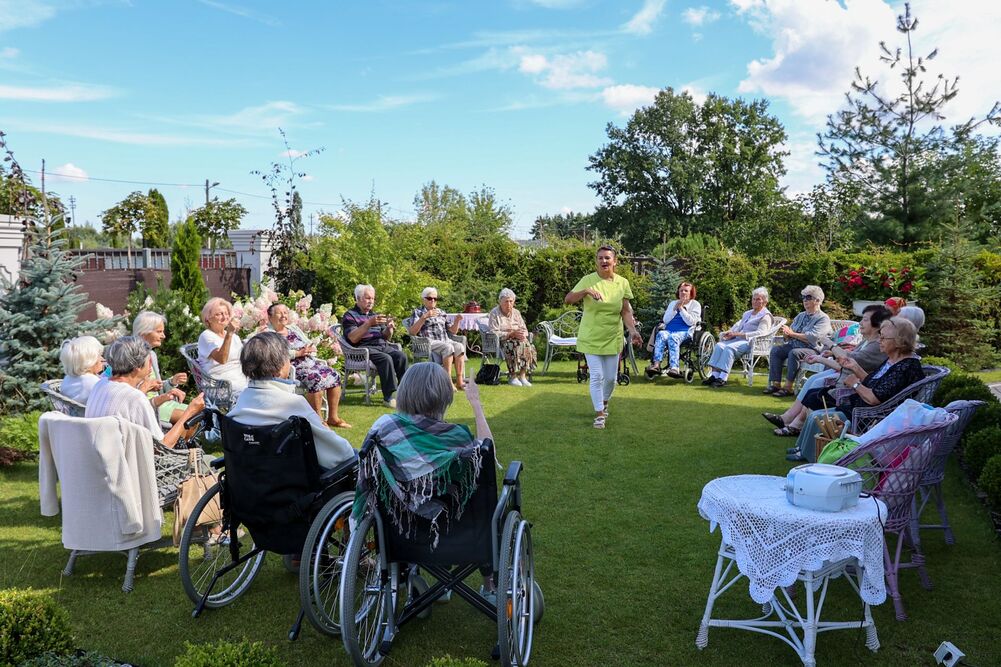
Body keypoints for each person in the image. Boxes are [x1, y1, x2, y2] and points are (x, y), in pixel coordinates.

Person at [355, 362, 495, 602]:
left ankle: (431, 579)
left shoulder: (384, 429)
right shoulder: (457, 436)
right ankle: (490, 586)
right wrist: (476, 404)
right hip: (461, 534)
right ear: (445, 395)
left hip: (401, 533)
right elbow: (487, 456)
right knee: (472, 499)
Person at [786, 316, 925, 461]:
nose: (879, 341)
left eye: (883, 338)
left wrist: (855, 384)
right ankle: (803, 451)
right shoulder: (893, 360)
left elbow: (873, 398)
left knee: (818, 416)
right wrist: (855, 367)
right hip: (862, 408)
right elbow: (872, 382)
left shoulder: (905, 367)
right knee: (817, 409)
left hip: (873, 417)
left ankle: (812, 457)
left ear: (899, 341)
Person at [227, 332, 356, 470]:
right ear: (280, 367)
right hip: (293, 485)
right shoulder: (293, 404)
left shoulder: (239, 406)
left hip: (251, 482)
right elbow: (342, 454)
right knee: (355, 455)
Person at [762, 304, 892, 436]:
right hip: (845, 384)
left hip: (851, 391)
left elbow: (848, 360)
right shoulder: (866, 342)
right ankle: (791, 421)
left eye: (865, 319)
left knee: (814, 392)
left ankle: (795, 424)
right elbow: (845, 364)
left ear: (876, 323)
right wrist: (820, 359)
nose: (860, 323)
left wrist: (830, 344)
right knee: (813, 387)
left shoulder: (875, 345)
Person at [565, 245, 643, 429]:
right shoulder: (588, 280)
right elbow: (568, 299)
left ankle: (605, 402)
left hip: (612, 337)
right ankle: (599, 414)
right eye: (600, 258)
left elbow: (625, 311)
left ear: (614, 261)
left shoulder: (622, 283)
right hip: (591, 336)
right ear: (596, 261)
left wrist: (632, 331)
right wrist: (585, 291)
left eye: (607, 258)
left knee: (611, 379)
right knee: (597, 376)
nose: (603, 261)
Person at [85, 336, 205, 448]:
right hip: (131, 466)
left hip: (103, 458)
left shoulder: (100, 385)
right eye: (149, 362)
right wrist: (190, 411)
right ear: (137, 366)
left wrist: (159, 398)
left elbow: (128, 410)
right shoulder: (135, 397)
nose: (150, 366)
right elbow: (163, 446)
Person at [267, 303, 350, 428]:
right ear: (270, 317)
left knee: (335, 375)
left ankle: (333, 417)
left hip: (310, 362)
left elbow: (307, 341)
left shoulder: (293, 328)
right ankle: (318, 420)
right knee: (315, 379)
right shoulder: (269, 334)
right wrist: (297, 353)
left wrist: (309, 347)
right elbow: (275, 354)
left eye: (285, 312)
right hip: (292, 367)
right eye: (280, 313)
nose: (284, 315)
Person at [341, 284, 408, 408]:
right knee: (385, 359)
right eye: (368, 298)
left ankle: (404, 393)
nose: (371, 301)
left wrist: (389, 328)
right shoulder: (349, 315)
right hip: (363, 349)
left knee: (401, 356)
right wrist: (368, 323)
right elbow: (353, 338)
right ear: (358, 298)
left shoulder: (375, 315)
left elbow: (386, 337)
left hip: (381, 345)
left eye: (372, 298)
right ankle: (388, 397)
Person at [762, 285, 832, 398]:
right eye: (803, 297)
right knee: (776, 350)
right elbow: (790, 333)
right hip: (794, 345)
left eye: (808, 297)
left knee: (794, 353)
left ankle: (788, 387)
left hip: (813, 349)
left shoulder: (823, 318)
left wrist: (792, 334)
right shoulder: (800, 315)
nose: (805, 300)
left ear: (818, 300)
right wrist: (786, 335)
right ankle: (776, 384)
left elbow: (813, 337)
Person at [702, 287, 773, 387]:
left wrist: (739, 335)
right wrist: (729, 334)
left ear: (765, 302)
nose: (755, 301)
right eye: (753, 299)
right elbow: (737, 327)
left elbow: (762, 332)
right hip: (738, 340)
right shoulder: (747, 313)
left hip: (752, 343)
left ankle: (722, 378)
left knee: (729, 348)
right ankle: (714, 375)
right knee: (719, 345)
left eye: (758, 299)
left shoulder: (766, 316)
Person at [133, 311, 190, 424]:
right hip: (146, 406)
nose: (163, 336)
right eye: (159, 331)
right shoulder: (133, 356)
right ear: (143, 333)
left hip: (161, 402)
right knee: (189, 417)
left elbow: (156, 387)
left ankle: (180, 441)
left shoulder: (151, 355)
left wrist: (172, 382)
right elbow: (131, 393)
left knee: (197, 413)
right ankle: (173, 441)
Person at [408, 287, 467, 390]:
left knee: (460, 346)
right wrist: (424, 317)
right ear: (423, 299)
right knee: (448, 347)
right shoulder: (418, 312)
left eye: (435, 299)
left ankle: (459, 381)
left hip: (444, 340)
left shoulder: (441, 312)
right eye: (430, 298)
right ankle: (447, 382)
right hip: (428, 342)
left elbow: (452, 331)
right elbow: (412, 332)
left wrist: (457, 321)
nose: (433, 301)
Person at [646, 282, 702, 379]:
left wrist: (681, 309)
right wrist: (675, 309)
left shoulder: (695, 304)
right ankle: (656, 365)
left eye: (686, 291)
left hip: (686, 332)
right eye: (681, 290)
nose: (683, 292)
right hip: (669, 330)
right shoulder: (672, 303)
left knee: (673, 337)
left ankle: (674, 368)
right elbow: (666, 320)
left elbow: (691, 322)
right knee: (661, 334)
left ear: (691, 293)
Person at [197, 297, 248, 396]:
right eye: (219, 314)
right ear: (208, 319)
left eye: (226, 313)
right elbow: (222, 359)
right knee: (251, 393)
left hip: (241, 378)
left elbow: (244, 359)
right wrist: (229, 334)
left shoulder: (235, 337)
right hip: (220, 384)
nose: (224, 317)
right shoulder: (206, 336)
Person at [488, 288, 537, 387]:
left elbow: (524, 329)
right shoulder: (494, 313)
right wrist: (510, 334)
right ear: (500, 302)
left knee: (528, 345)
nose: (509, 304)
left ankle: (523, 376)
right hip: (502, 342)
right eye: (506, 301)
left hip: (518, 340)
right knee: (512, 345)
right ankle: (512, 376)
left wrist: (523, 335)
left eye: (511, 301)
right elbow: (493, 332)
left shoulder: (516, 313)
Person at [59, 335, 105, 403]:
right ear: (90, 361)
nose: (102, 359)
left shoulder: (68, 379)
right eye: (99, 356)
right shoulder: (94, 383)